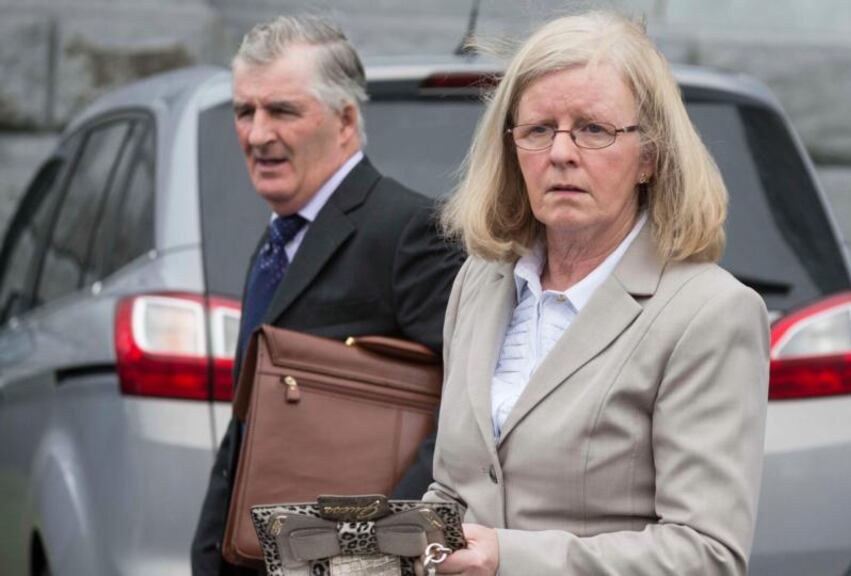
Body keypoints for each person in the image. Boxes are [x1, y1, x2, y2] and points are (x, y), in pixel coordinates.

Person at [424, 11, 770, 576]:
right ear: (511, 146)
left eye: (593, 129)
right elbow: (456, 490)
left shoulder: (709, 313)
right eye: (538, 129)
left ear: (650, 157)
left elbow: (706, 555)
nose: (561, 152)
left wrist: (509, 559)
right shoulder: (481, 281)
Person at [191, 15, 464, 576]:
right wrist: (209, 551)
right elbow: (251, 419)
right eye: (245, 111)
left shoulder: (408, 230)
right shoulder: (276, 243)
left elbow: (467, 414)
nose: (257, 133)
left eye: (283, 111)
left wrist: (373, 551)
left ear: (344, 121)